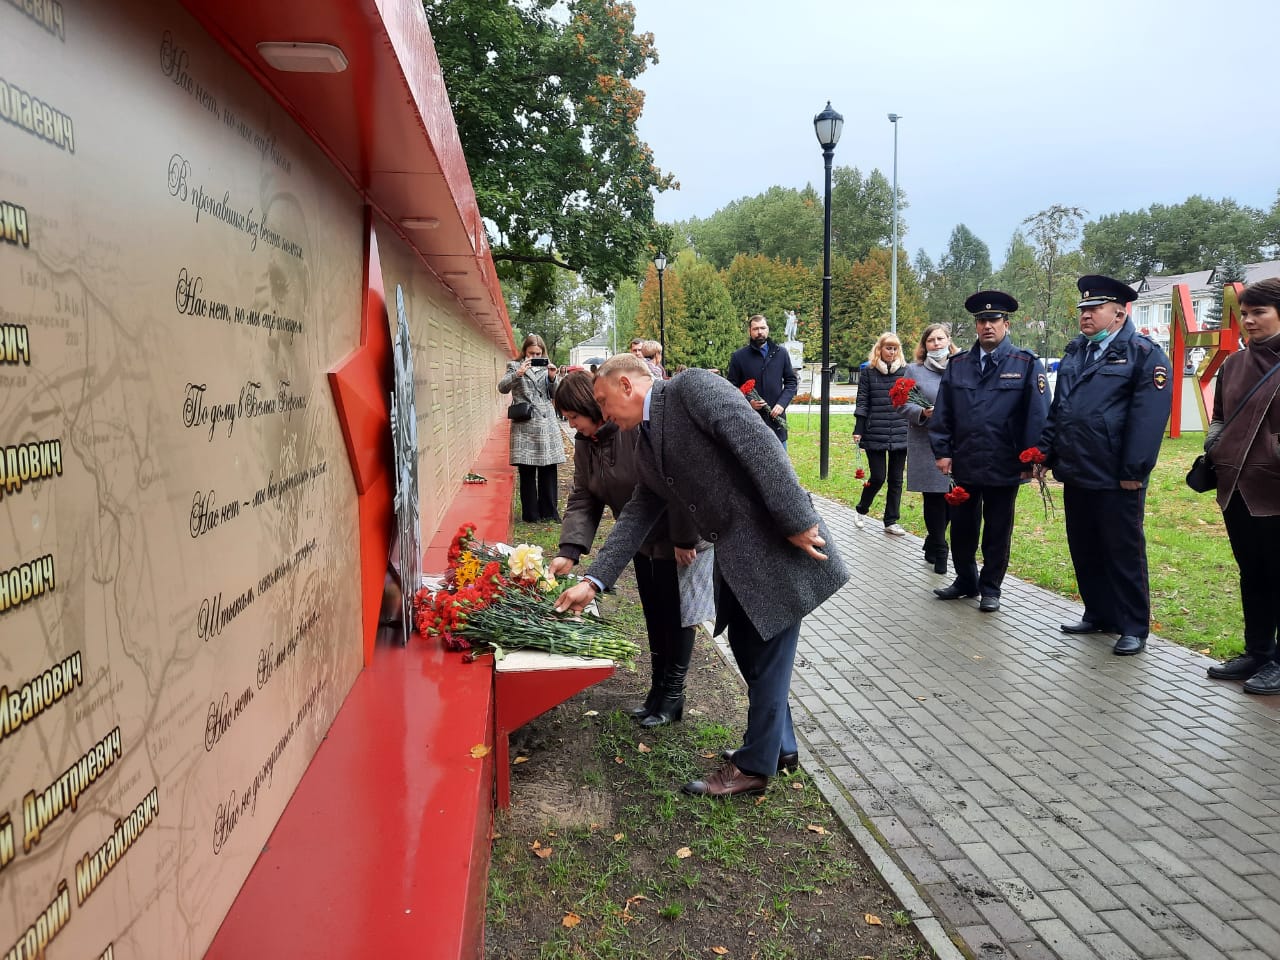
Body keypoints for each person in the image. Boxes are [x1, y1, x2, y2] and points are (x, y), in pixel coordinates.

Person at [553, 355, 848, 798]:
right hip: (740, 554)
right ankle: (781, 749)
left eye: (602, 399)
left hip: (778, 543)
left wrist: (796, 519)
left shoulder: (691, 390)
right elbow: (637, 513)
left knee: (765, 655)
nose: (603, 413)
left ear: (627, 386)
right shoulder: (647, 442)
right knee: (751, 651)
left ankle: (753, 767)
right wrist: (593, 580)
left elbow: (759, 443)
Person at [547, 372, 712, 725]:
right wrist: (570, 549)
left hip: (676, 534)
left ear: (592, 407)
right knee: (655, 612)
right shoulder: (586, 442)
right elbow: (584, 495)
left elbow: (675, 480)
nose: (572, 425)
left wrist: (684, 538)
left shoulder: (632, 427)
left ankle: (673, 694)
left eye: (574, 416)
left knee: (679, 615)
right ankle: (657, 690)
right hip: (637, 538)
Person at [1034, 275, 1172, 655]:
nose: (1086, 315)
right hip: (1077, 469)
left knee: (1122, 550)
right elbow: (1060, 410)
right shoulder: (1078, 351)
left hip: (1116, 476)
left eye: (1094, 309)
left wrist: (1134, 471)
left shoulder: (1144, 354)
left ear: (1119, 313)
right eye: (1083, 309)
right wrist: (1045, 453)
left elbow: (1148, 418)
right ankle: (1098, 613)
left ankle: (1132, 625)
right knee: (1085, 546)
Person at [929, 291, 1049, 613]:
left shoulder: (1025, 363)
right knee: (962, 527)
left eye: (994, 320)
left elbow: (1037, 416)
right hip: (965, 460)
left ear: (1006, 325)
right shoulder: (959, 365)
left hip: (1004, 463)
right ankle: (965, 580)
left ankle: (991, 587)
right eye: (981, 321)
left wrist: (1035, 459)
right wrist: (942, 451)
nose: (987, 326)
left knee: (997, 529)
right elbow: (944, 413)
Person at [1201, 279, 1280, 690]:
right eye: (1244, 314)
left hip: (1276, 488)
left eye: (1259, 313)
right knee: (1253, 573)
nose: (1248, 321)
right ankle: (1258, 652)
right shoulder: (1233, 364)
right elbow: (1219, 415)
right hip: (1235, 485)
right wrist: (1213, 443)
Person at [899, 323, 960, 575]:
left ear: (949, 341)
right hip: (926, 443)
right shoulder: (913, 370)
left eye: (940, 339)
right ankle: (941, 547)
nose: (936, 344)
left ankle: (932, 538)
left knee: (951, 497)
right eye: (931, 341)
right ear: (924, 346)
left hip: (957, 443)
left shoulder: (961, 367)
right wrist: (922, 412)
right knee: (934, 496)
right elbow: (900, 403)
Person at [497, 334, 565, 522]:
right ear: (524, 352)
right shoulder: (514, 366)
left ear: (543, 352)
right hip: (524, 422)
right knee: (526, 470)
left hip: (546, 422)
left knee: (548, 468)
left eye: (538, 353)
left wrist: (552, 378)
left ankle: (549, 512)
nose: (535, 357)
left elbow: (556, 393)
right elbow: (502, 387)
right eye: (531, 353)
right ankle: (531, 514)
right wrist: (517, 373)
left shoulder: (547, 367)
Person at [852, 332, 909, 535]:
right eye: (888, 348)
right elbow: (863, 401)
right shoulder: (868, 373)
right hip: (874, 430)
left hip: (900, 431)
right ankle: (861, 509)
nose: (892, 352)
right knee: (878, 477)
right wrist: (858, 429)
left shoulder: (905, 371)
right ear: (880, 349)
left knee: (896, 479)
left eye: (895, 349)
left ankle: (891, 520)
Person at [726, 314, 799, 445]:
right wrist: (749, 402)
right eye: (755, 329)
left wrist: (781, 404)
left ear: (768, 329)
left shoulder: (781, 353)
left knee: (779, 464)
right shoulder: (738, 357)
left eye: (762, 328)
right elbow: (731, 388)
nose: (759, 332)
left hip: (776, 423)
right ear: (749, 331)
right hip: (750, 423)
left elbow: (791, 382)